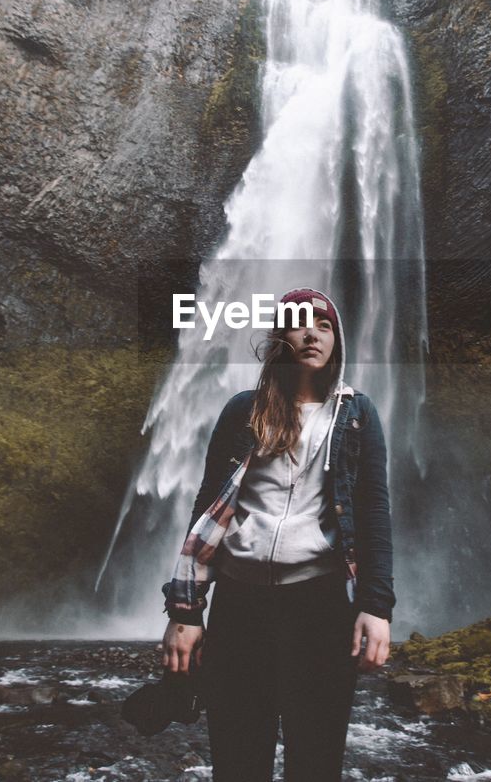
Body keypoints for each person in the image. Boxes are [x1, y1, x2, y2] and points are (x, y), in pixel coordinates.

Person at [159, 286, 395, 782]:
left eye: (324, 324)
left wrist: (376, 606)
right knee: (238, 756)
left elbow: (374, 514)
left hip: (321, 606)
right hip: (240, 607)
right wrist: (185, 612)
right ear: (279, 338)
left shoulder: (357, 416)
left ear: (337, 341)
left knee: (317, 758)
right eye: (298, 322)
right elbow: (208, 510)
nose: (311, 332)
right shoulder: (242, 411)